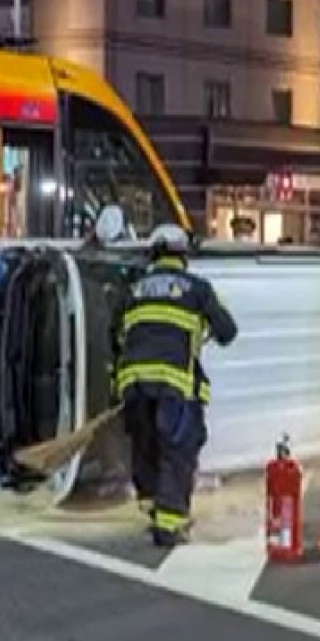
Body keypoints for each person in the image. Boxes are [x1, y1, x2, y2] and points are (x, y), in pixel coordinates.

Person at [116, 224, 239, 548]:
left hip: (132, 381)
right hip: (173, 383)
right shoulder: (196, 288)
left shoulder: (134, 289)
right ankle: (169, 525)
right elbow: (228, 332)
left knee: (145, 446)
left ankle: (155, 508)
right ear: (183, 255)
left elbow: (116, 335)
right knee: (178, 448)